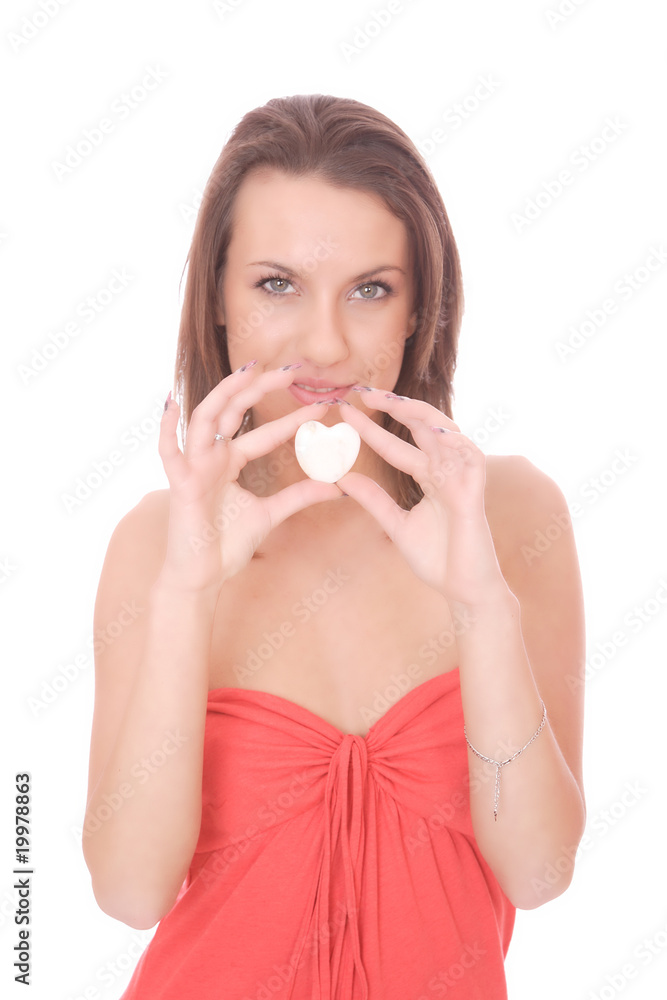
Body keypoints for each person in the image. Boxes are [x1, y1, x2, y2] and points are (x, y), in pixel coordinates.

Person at [82, 94, 587, 999]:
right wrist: (186, 597)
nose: (323, 342)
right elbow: (128, 893)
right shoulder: (155, 543)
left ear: (418, 308)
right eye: (277, 285)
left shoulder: (509, 514)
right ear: (219, 301)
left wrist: (481, 606)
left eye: (369, 289)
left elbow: (538, 873)